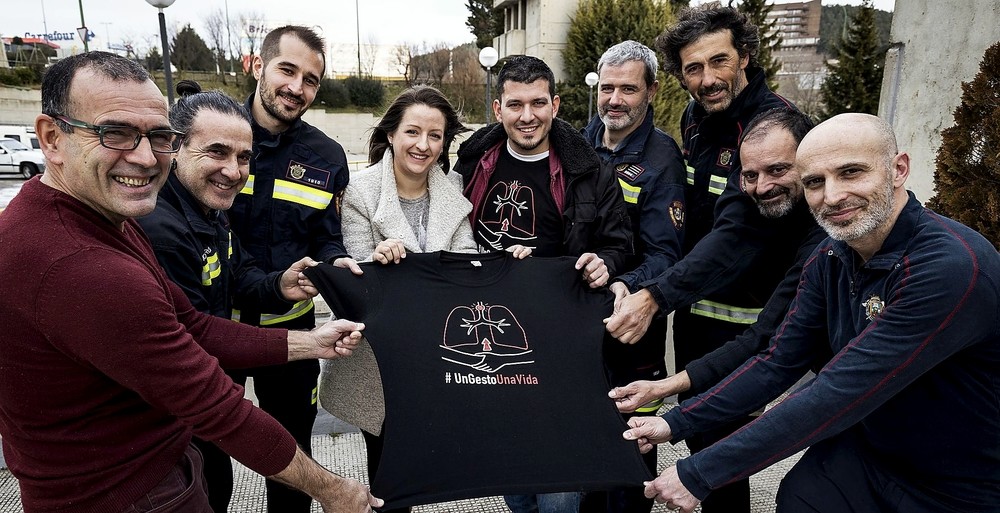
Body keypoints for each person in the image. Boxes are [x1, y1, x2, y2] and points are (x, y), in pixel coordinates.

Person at [0, 51, 381, 513]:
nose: (143, 157)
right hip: (126, 495)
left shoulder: (106, 219)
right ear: (51, 138)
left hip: (152, 467)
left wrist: (311, 343)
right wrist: (334, 490)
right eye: (115, 133)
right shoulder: (85, 262)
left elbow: (193, 325)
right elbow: (217, 407)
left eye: (158, 136)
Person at [625, 113, 1000, 513]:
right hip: (870, 454)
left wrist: (699, 473)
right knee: (802, 497)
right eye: (815, 182)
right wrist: (675, 422)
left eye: (851, 172)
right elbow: (777, 361)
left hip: (963, 482)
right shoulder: (830, 256)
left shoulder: (949, 267)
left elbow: (838, 391)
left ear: (898, 169)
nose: (832, 196)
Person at [603, 7, 795, 510]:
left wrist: (654, 296)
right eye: (693, 68)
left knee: (724, 457)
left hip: (747, 323)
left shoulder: (772, 128)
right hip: (696, 314)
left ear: (745, 57)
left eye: (719, 61)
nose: (707, 79)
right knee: (701, 443)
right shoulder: (698, 118)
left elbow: (737, 234)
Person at [454, 54, 632, 513]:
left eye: (538, 103)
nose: (527, 116)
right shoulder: (474, 161)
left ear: (555, 104)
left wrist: (603, 265)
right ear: (498, 109)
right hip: (493, 339)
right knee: (513, 470)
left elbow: (618, 244)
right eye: (515, 104)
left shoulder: (590, 170)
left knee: (559, 481)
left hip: (561, 344)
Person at [136, 80, 321, 513]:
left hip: (200, 402)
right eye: (216, 152)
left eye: (243, 157)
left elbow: (237, 274)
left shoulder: (207, 210)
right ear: (175, 148)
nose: (234, 170)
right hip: (172, 421)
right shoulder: (163, 231)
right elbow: (194, 338)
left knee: (216, 485)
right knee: (208, 489)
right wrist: (309, 344)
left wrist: (280, 285)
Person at [318, 85, 486, 513]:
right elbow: (355, 278)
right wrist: (375, 261)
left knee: (428, 463)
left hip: (440, 351)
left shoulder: (455, 191)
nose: (424, 145)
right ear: (391, 133)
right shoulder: (359, 192)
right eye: (413, 132)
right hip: (381, 361)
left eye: (436, 135)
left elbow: (466, 265)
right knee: (387, 470)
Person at [610, 108, 823, 416]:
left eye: (778, 170)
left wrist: (664, 392)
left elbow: (764, 336)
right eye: (750, 175)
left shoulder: (825, 236)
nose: (762, 187)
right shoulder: (696, 123)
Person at [226, 25, 358, 512]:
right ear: (256, 65)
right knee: (206, 461)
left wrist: (334, 262)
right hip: (215, 334)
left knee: (291, 460)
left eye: (311, 80)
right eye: (287, 70)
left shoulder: (326, 157)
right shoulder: (217, 138)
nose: (296, 88)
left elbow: (326, 235)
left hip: (292, 337)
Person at [579, 40, 686, 513]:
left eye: (628, 88)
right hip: (579, 329)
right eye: (607, 88)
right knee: (581, 452)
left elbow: (668, 252)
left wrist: (628, 282)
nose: (615, 100)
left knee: (630, 456)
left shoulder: (663, 160)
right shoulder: (577, 145)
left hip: (632, 333)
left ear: (652, 92)